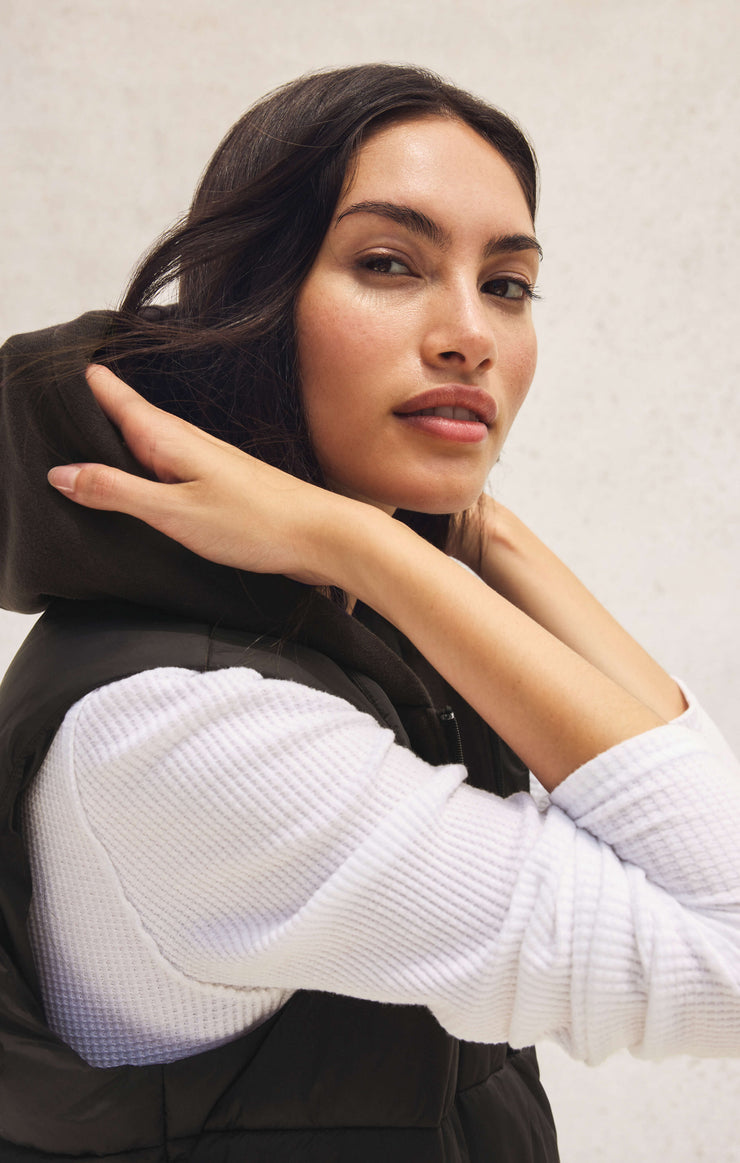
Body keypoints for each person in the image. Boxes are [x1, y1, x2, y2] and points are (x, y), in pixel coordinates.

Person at [0, 63, 738, 1162]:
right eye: (388, 263)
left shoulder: (345, 636)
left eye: (507, 284)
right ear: (252, 303)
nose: (469, 334)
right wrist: (368, 543)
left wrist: (473, 533)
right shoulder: (189, 731)